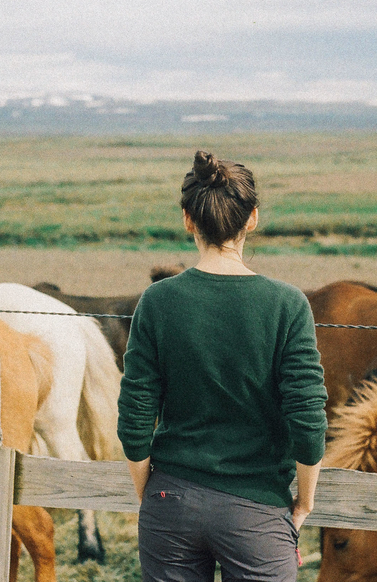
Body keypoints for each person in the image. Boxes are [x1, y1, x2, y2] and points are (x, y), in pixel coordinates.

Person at [117, 150, 328, 582]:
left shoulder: (157, 301)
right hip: (258, 513)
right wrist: (304, 503)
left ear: (187, 219)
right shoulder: (288, 305)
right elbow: (308, 422)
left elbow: (135, 418)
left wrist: (151, 494)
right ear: (252, 218)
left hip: (169, 499)